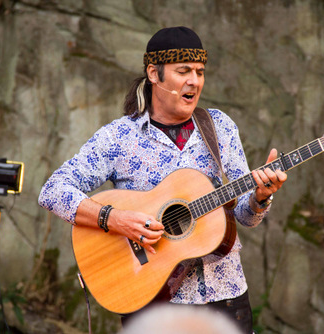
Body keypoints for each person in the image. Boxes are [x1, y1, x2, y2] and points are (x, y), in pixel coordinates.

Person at [38, 26, 287, 334]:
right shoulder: (119, 137)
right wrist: (113, 218)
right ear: (154, 74)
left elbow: (242, 219)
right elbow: (52, 191)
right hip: (151, 304)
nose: (194, 81)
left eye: (199, 72)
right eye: (183, 71)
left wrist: (260, 197)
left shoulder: (220, 127)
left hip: (225, 298)